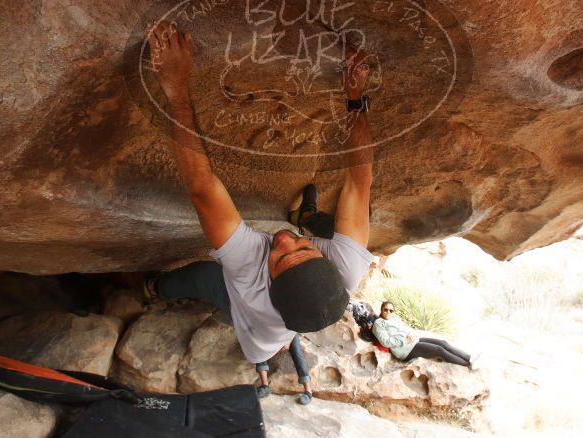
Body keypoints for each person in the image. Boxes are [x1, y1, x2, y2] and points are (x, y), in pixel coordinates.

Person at [143, 22, 375, 404]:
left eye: (279, 257)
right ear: (331, 268)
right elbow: (360, 181)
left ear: (268, 281)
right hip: (286, 326)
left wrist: (176, 88)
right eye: (303, 248)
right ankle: (307, 216)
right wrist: (355, 96)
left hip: (247, 323)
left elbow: (202, 187)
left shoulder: (248, 277)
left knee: (198, 278)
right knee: (350, 219)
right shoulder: (345, 269)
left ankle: (151, 290)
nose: (282, 240)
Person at [371, 301, 474, 368]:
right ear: (381, 310)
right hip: (405, 350)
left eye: (391, 310)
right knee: (439, 350)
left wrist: (412, 334)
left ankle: (470, 358)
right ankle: (467, 364)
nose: (388, 312)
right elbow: (385, 342)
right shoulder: (379, 323)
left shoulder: (394, 319)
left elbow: (405, 329)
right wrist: (404, 339)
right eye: (386, 309)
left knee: (443, 343)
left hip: (412, 341)